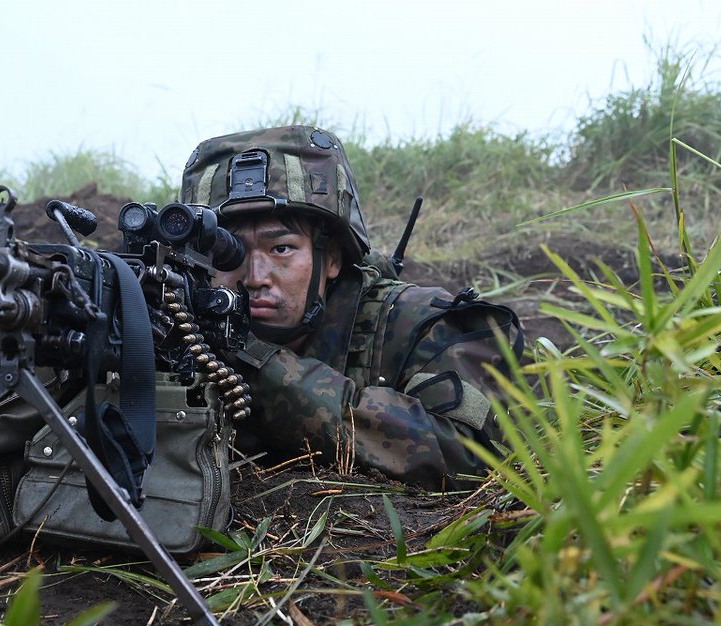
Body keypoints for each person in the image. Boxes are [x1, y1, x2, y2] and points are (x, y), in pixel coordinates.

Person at [180, 125, 522, 489]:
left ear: (332, 260)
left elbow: (469, 457)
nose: (254, 277)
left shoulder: (416, 325)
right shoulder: (179, 328)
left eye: (281, 249)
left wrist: (263, 369)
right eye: (228, 251)